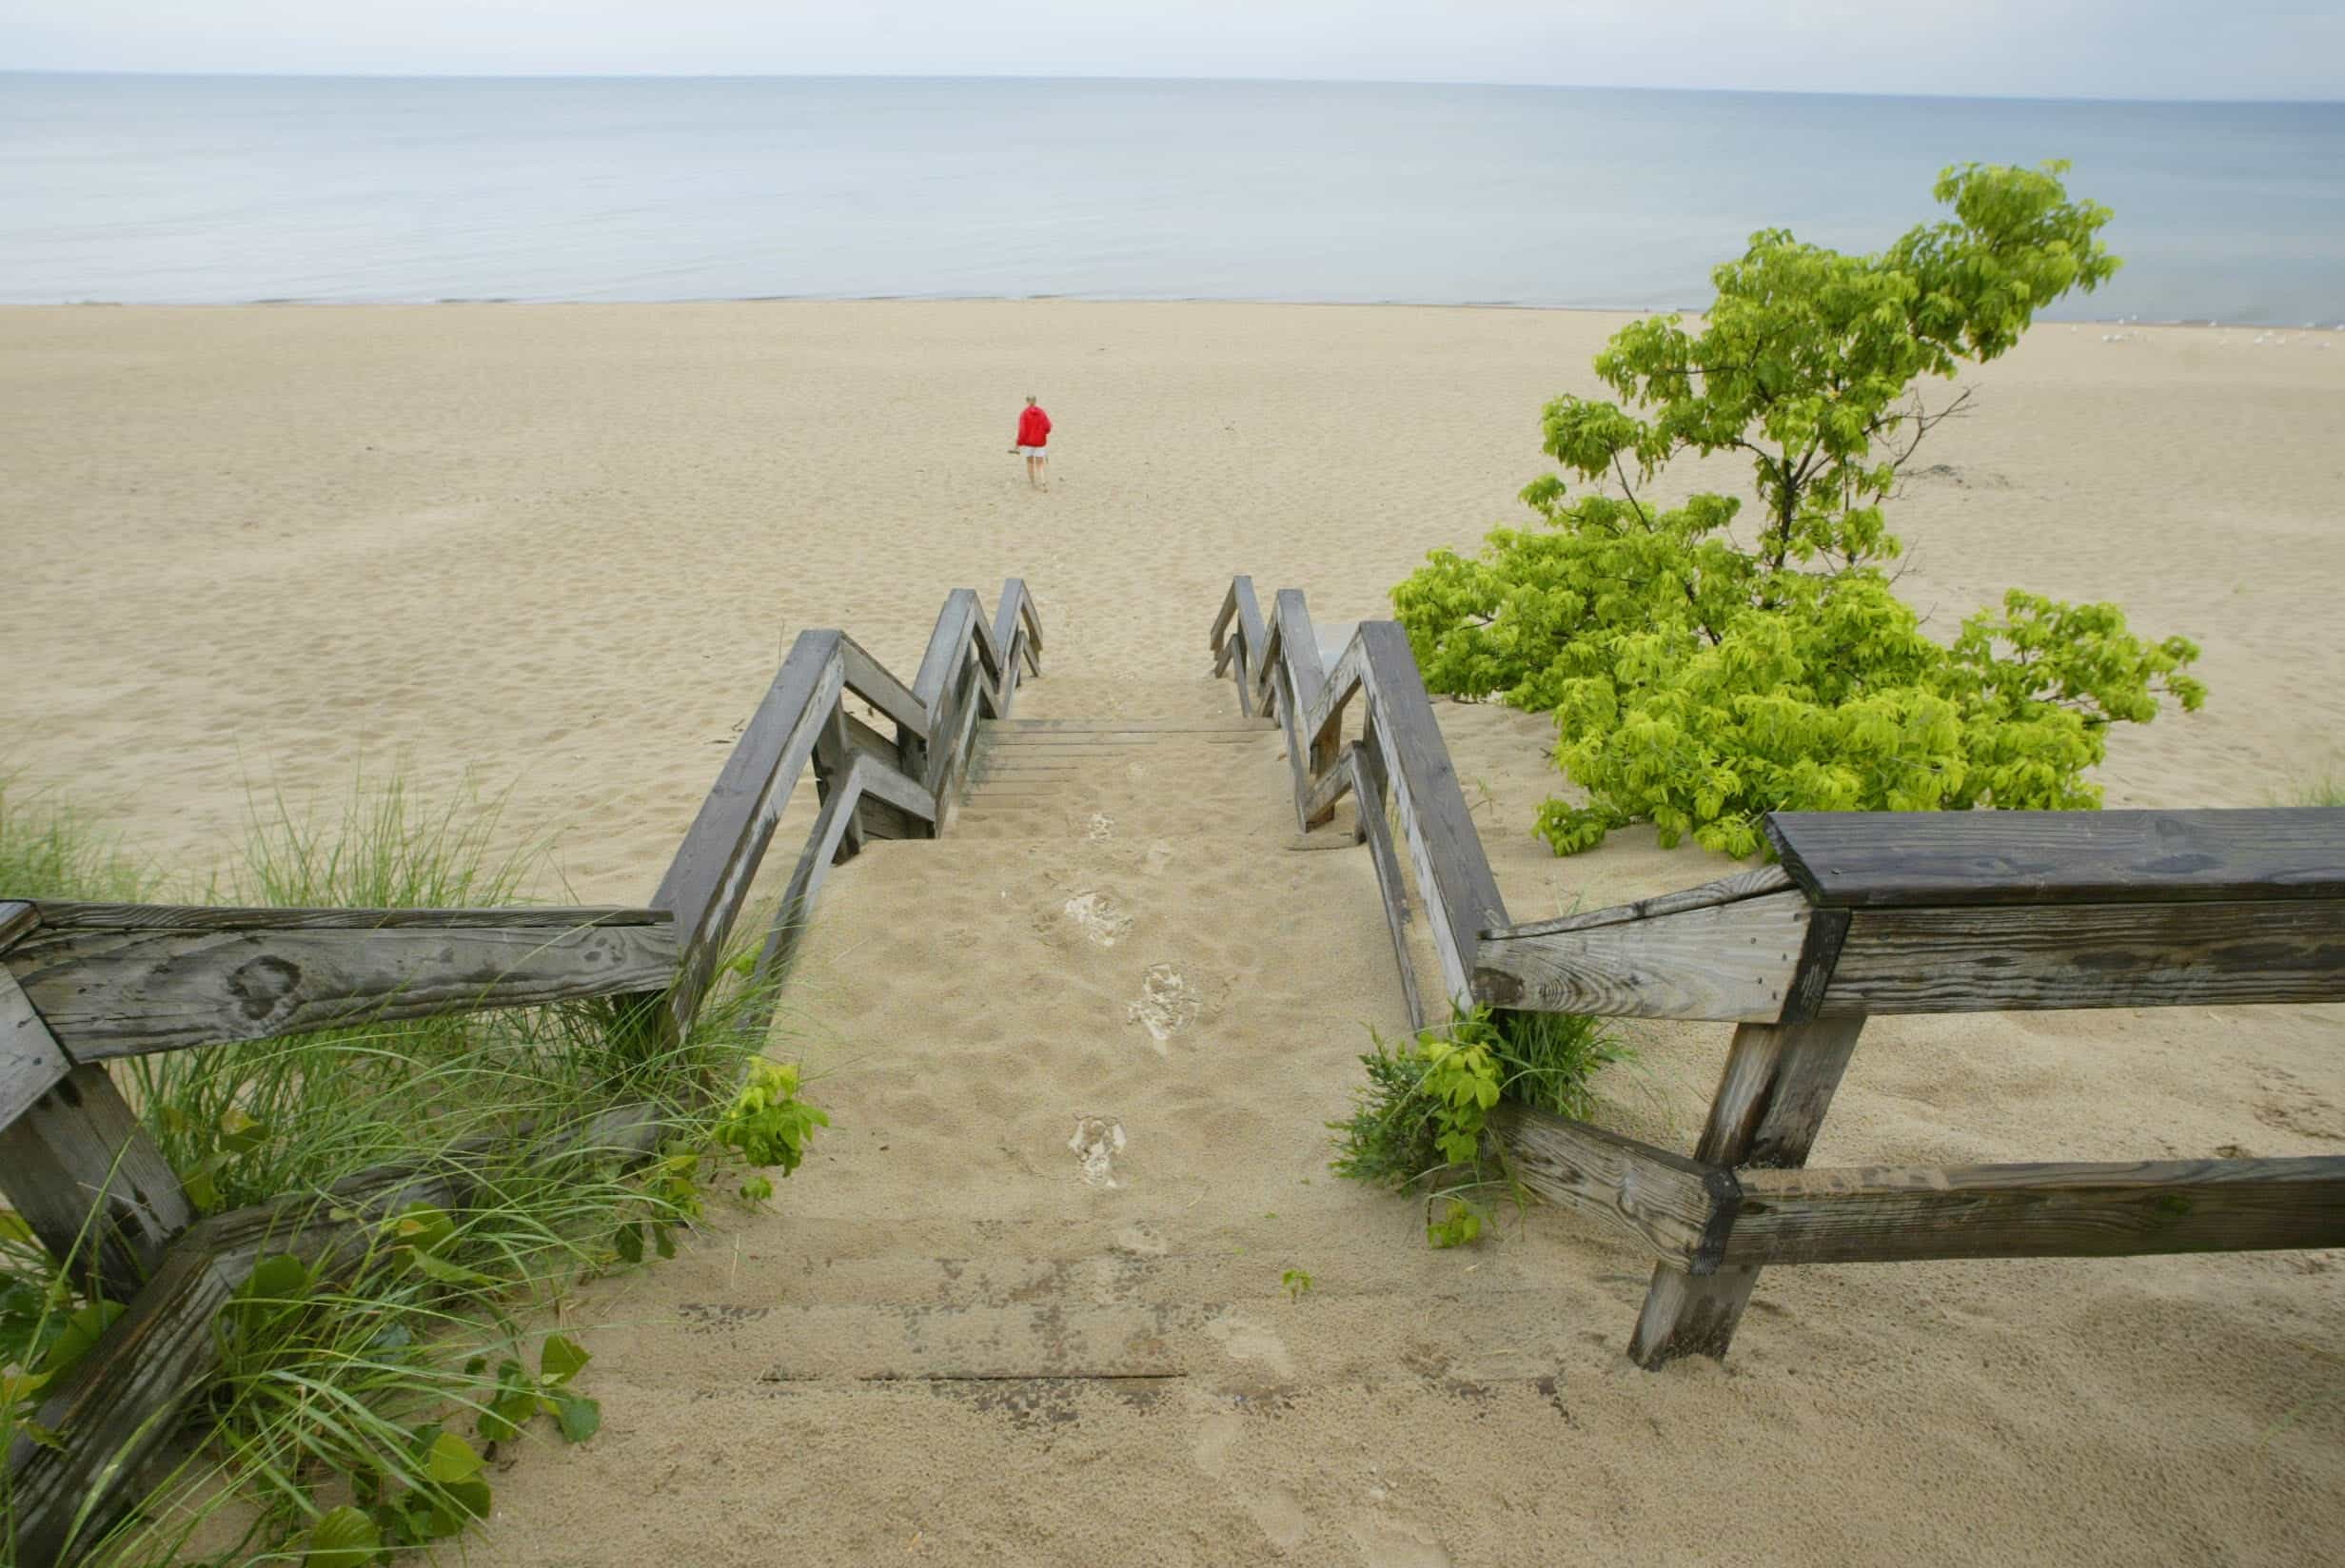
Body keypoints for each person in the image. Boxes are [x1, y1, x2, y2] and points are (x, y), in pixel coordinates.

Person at [1010, 395, 1052, 489]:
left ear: (1027, 401)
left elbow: (1022, 430)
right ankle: (1043, 482)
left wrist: (1019, 443)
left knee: (1030, 463)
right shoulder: (1042, 412)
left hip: (1028, 443)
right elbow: (1048, 427)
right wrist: (1042, 433)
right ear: (1035, 401)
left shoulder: (1024, 414)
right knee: (1040, 464)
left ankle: (1033, 483)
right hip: (1040, 442)